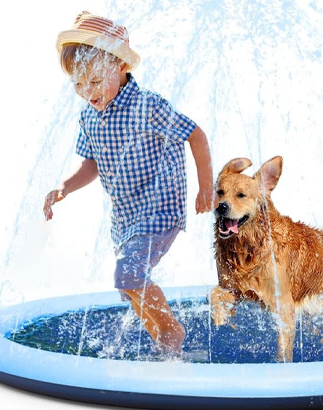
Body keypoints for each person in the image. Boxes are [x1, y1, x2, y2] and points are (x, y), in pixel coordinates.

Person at [43, 11, 215, 356]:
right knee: (129, 286)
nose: (86, 92)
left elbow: (195, 135)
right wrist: (65, 187)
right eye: (78, 84)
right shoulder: (89, 116)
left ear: (121, 66)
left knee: (129, 275)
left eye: (94, 81)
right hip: (126, 216)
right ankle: (165, 344)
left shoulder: (147, 105)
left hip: (160, 207)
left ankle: (171, 332)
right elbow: (90, 164)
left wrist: (205, 187)